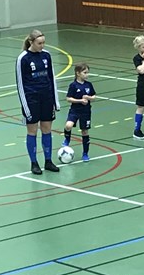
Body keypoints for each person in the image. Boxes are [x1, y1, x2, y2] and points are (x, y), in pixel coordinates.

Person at [17, 31, 60, 175]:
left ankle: (48, 161)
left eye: (43, 43)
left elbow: (52, 78)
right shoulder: (23, 58)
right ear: (31, 42)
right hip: (31, 100)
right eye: (39, 43)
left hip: (47, 98)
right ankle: (34, 163)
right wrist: (25, 106)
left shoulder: (46, 55)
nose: (42, 46)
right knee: (33, 131)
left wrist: (55, 101)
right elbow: (20, 84)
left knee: (47, 129)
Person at [61, 63, 97, 162]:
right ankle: (67, 138)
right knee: (68, 125)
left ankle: (85, 153)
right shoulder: (73, 85)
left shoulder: (89, 85)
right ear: (78, 73)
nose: (87, 75)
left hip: (86, 112)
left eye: (88, 72)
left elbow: (94, 97)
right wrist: (80, 101)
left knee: (84, 131)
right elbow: (68, 98)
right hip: (75, 110)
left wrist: (88, 97)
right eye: (85, 72)